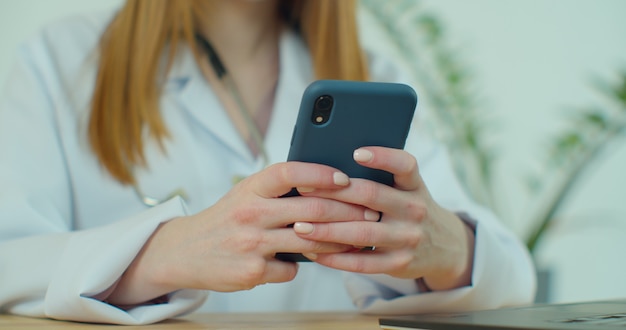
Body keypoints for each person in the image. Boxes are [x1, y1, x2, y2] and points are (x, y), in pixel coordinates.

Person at [0, 0, 536, 325]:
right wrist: (156, 256)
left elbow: (513, 281)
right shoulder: (57, 63)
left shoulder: (374, 77)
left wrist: (447, 248)